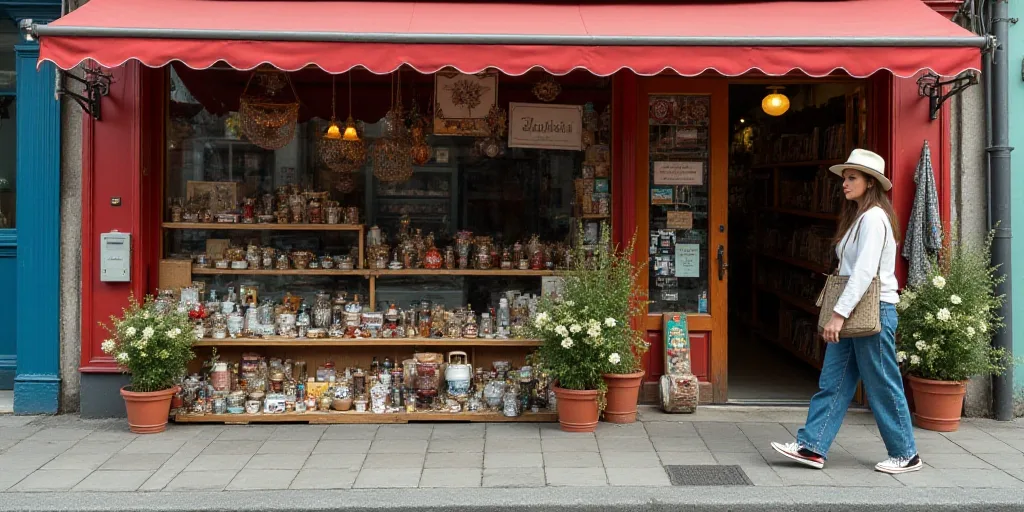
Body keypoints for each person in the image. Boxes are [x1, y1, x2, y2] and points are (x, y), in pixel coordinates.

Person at [770, 149, 922, 475]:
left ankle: (906, 453)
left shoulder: (874, 218)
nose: (844, 183)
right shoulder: (860, 217)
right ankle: (812, 447)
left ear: (870, 183)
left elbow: (865, 272)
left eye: (852, 177)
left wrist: (838, 314)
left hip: (873, 310)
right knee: (834, 381)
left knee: (882, 382)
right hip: (858, 309)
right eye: (844, 177)